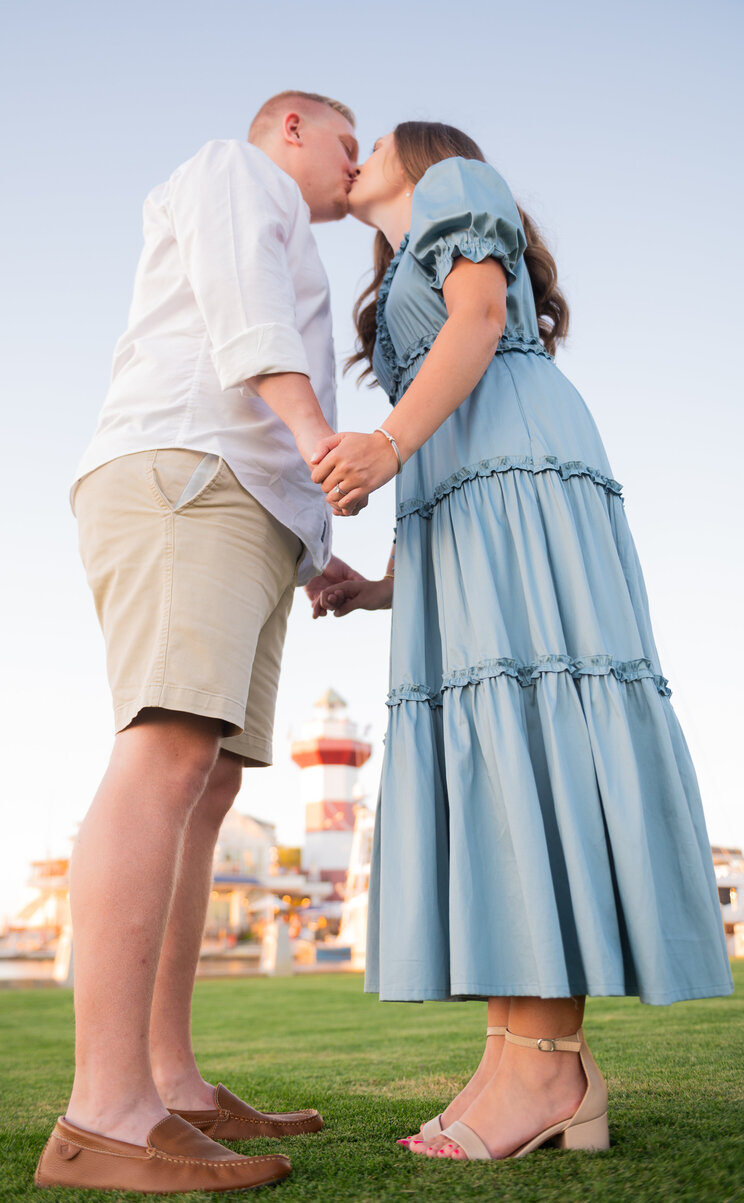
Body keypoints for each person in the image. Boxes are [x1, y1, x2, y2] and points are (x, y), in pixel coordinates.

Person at [310, 122, 733, 1163]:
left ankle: (547, 1060)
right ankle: (519, 1058)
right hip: (460, 501)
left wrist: (380, 441)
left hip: (517, 474)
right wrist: (376, 591)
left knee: (526, 740)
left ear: (421, 155)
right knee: (496, 759)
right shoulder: (404, 256)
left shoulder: (456, 180)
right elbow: (442, 430)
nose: (355, 149)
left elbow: (482, 319)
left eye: (374, 142)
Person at [36, 91, 363, 1194]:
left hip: (248, 508)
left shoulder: (283, 211)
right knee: (168, 749)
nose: (353, 169)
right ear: (288, 130)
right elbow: (240, 314)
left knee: (211, 781)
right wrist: (322, 442)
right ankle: (103, 1115)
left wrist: (313, 545)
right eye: (344, 144)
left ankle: (167, 1083)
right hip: (188, 473)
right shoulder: (238, 168)